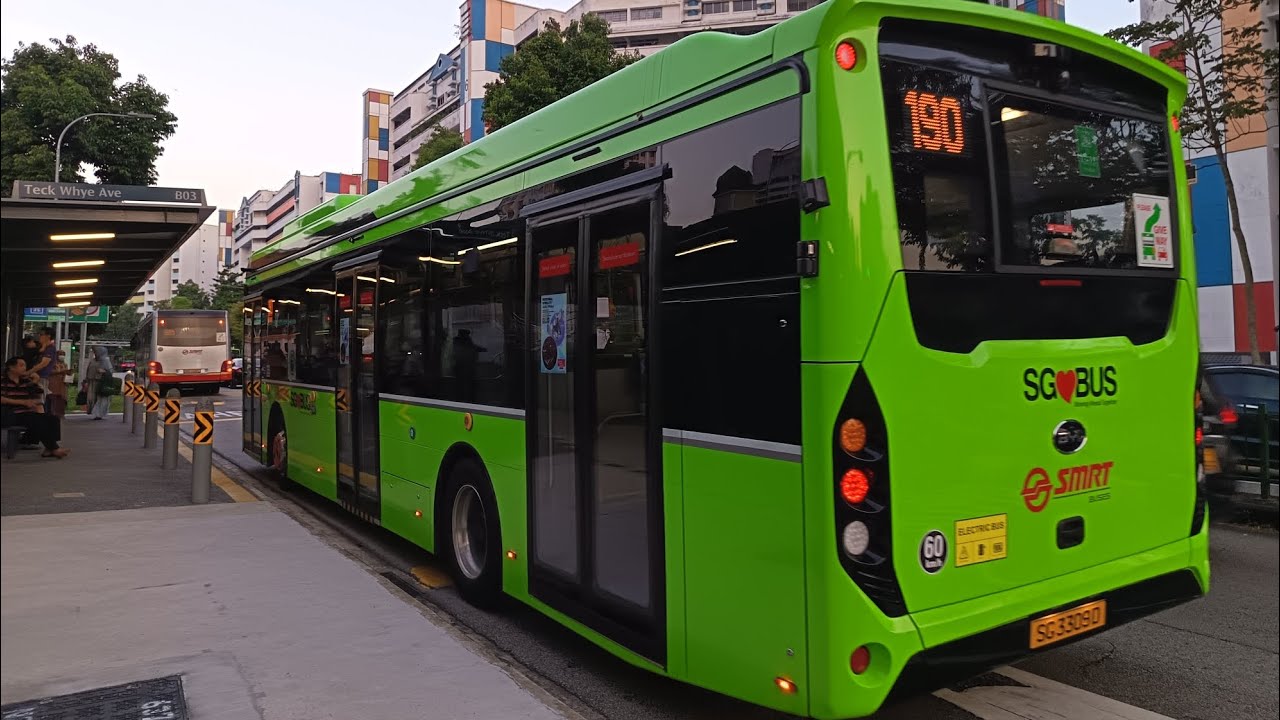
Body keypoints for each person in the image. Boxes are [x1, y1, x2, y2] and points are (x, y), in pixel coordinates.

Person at [1, 357, 68, 458]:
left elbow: (38, 394)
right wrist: (22, 402)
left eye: (25, 365)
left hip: (25, 412)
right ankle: (54, 448)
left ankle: (49, 449)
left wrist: (35, 381)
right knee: (35, 420)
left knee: (53, 419)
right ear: (11, 367)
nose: (24, 368)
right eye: (21, 365)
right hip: (10, 413)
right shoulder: (3, 381)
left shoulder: (25, 381)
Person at [86, 346, 114, 420]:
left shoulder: (106, 361)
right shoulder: (92, 361)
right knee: (91, 398)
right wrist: (86, 380)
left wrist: (103, 371)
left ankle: (98, 414)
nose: (96, 353)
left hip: (101, 382)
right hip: (92, 381)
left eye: (97, 352)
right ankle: (92, 411)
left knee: (100, 398)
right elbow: (88, 370)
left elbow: (110, 371)